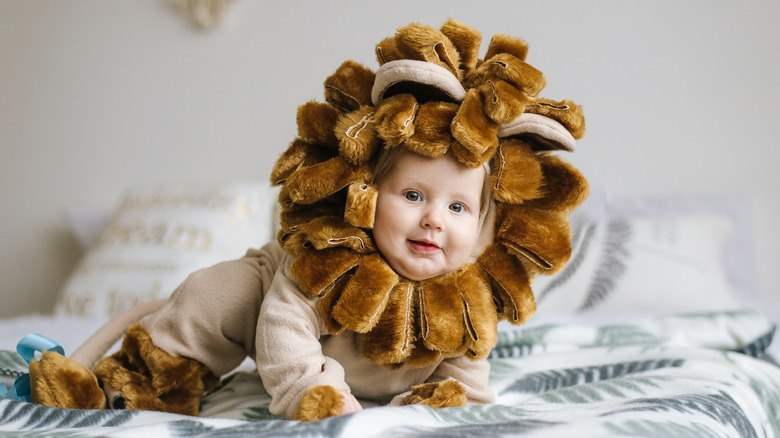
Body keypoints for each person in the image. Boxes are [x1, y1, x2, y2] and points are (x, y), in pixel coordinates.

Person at [132, 146, 495, 420]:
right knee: (220, 294)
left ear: (480, 225)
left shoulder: (469, 295)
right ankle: (150, 368)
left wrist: (447, 399)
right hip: (266, 316)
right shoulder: (326, 259)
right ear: (369, 197)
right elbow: (283, 324)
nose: (434, 219)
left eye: (458, 207)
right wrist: (312, 388)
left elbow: (466, 377)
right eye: (413, 195)